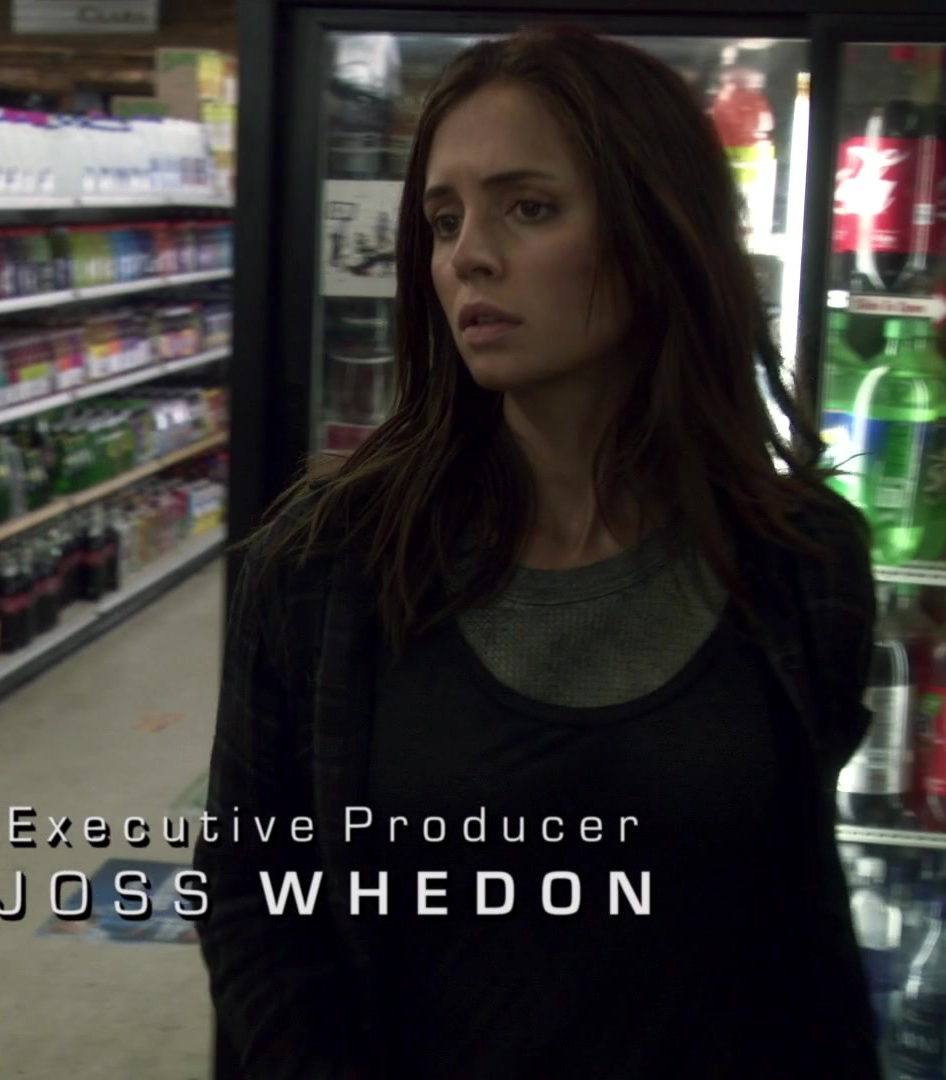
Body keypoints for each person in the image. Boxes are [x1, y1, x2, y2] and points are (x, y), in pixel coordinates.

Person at [196, 26, 879, 1080]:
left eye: (528, 207)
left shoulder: (803, 559)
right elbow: (251, 893)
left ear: (657, 227)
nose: (467, 255)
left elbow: (798, 925)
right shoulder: (323, 562)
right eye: (444, 220)